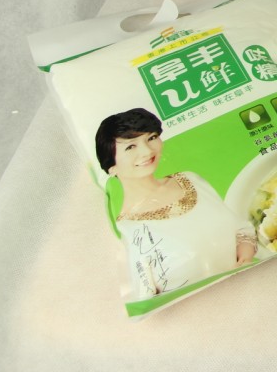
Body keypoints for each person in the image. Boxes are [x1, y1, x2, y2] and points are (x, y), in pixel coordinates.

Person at [95, 108, 256, 300]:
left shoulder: (190, 180)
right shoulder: (130, 230)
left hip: (253, 284)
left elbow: (242, 230)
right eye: (130, 147)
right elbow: (147, 297)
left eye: (151, 138)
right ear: (111, 167)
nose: (147, 151)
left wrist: (245, 258)